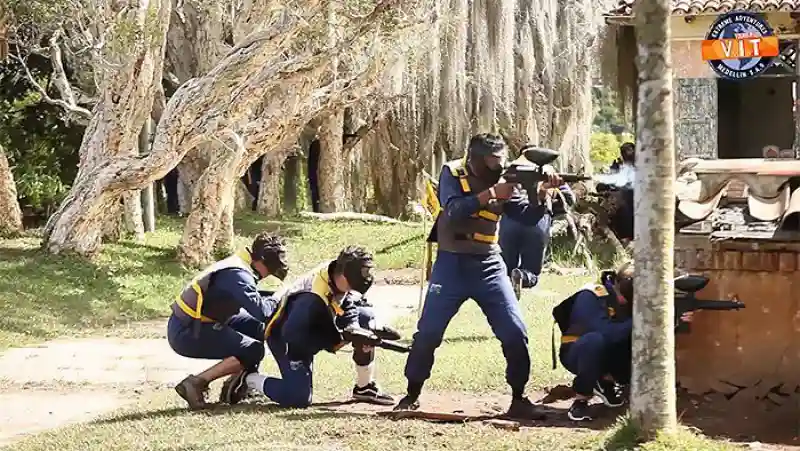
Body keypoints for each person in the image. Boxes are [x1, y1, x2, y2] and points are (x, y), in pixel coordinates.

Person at [395, 133, 563, 419]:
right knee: (428, 333)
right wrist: (491, 194)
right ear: (473, 159)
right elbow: (454, 210)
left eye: (500, 160)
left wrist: (542, 193)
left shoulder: (510, 177)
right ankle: (412, 393)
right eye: (491, 161)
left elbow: (526, 217)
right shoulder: (452, 171)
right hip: (451, 265)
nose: (496, 166)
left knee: (515, 331)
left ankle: (519, 397)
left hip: (489, 264)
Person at [220, 245, 397, 408]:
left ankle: (364, 387)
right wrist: (339, 339)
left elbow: (348, 301)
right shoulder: (313, 296)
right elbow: (295, 336)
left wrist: (355, 327)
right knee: (298, 398)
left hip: (314, 324)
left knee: (366, 318)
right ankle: (248, 379)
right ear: (343, 275)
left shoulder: (335, 271)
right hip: (286, 334)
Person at [553, 261, 693, 421]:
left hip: (613, 351)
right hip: (578, 352)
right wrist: (647, 316)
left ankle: (606, 382)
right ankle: (582, 398)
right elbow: (607, 333)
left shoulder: (634, 302)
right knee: (594, 341)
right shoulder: (591, 296)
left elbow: (648, 336)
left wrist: (671, 321)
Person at [167, 232, 290, 410]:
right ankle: (196, 383)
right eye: (270, 268)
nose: (269, 274)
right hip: (186, 332)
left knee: (260, 329)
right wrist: (279, 295)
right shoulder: (237, 274)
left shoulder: (241, 264)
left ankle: (237, 385)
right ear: (261, 260)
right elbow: (263, 311)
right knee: (253, 350)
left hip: (200, 321)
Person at [499, 148, 576, 299]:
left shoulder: (510, 170)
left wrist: (548, 190)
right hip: (537, 222)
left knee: (505, 270)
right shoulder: (547, 172)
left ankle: (509, 295)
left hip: (510, 221)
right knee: (531, 273)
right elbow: (570, 199)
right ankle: (521, 277)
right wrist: (550, 192)